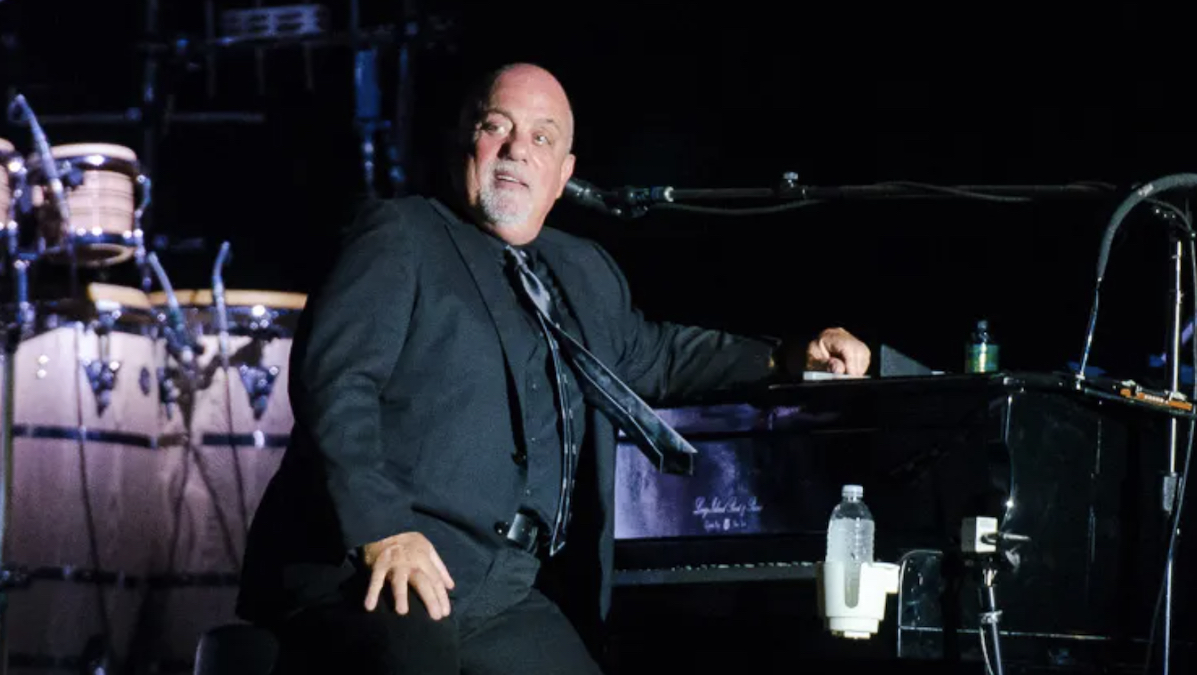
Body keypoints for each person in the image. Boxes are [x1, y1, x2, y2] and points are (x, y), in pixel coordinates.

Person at [237, 62, 870, 674]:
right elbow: (336, 384)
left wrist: (788, 355)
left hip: (502, 587)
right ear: (465, 141)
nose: (517, 148)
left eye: (542, 137)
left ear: (564, 174)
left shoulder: (581, 269)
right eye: (497, 126)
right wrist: (382, 530)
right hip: (376, 565)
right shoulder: (401, 234)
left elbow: (654, 355)